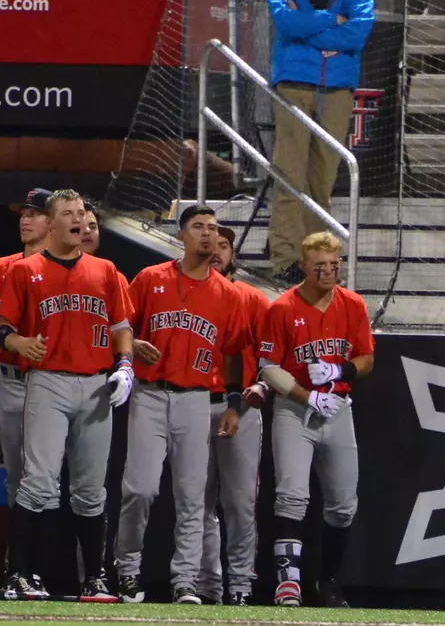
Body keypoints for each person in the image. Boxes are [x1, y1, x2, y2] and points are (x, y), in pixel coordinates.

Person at [0, 189, 133, 602]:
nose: (77, 219)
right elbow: (1, 328)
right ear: (51, 224)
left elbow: (121, 326)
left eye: (81, 213)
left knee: (92, 491)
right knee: (38, 483)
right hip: (48, 381)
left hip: (95, 384)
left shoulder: (106, 271)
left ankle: (95, 579)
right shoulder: (25, 271)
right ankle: (18, 574)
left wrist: (124, 364)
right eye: (68, 213)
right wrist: (18, 343)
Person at [115, 204, 252, 605]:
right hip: (150, 395)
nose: (208, 235)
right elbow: (122, 325)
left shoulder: (228, 294)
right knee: (138, 490)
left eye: (212, 228)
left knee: (193, 496)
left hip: (195, 400)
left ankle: (185, 581)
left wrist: (232, 403)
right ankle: (128, 571)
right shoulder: (150, 279)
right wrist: (132, 346)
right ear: (181, 235)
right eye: (198, 227)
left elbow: (232, 354)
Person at [244, 231, 374, 608]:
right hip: (294, 410)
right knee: (291, 496)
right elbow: (268, 369)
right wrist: (308, 395)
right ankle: (289, 583)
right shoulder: (283, 307)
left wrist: (340, 371)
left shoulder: (352, 305)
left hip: (337, 409)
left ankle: (328, 580)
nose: (329, 273)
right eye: (320, 266)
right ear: (304, 265)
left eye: (334, 265)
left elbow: (367, 358)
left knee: (344, 503)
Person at [267, 0, 375, 283]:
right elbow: (285, 21)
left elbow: (359, 31)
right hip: (294, 84)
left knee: (322, 181)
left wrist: (311, 26)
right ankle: (284, 262)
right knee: (289, 178)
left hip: (337, 88)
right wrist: (333, 20)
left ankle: (319, 264)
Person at [197, 226, 268, 606]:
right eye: (211, 244)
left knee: (239, 502)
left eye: (224, 245)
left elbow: (269, 358)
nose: (217, 251)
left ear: (233, 254)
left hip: (238, 408)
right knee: (199, 502)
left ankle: (240, 584)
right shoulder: (189, 295)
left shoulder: (252, 299)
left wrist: (258, 390)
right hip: (193, 402)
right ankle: (209, 587)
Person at [0, 189, 52, 521]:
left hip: (55, 382)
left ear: (54, 220)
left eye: (34, 213)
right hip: (12, 382)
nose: (26, 219)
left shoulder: (72, 269)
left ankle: (61, 568)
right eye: (23, 213)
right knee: (16, 480)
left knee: (56, 479)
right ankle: (19, 565)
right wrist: (9, 347)